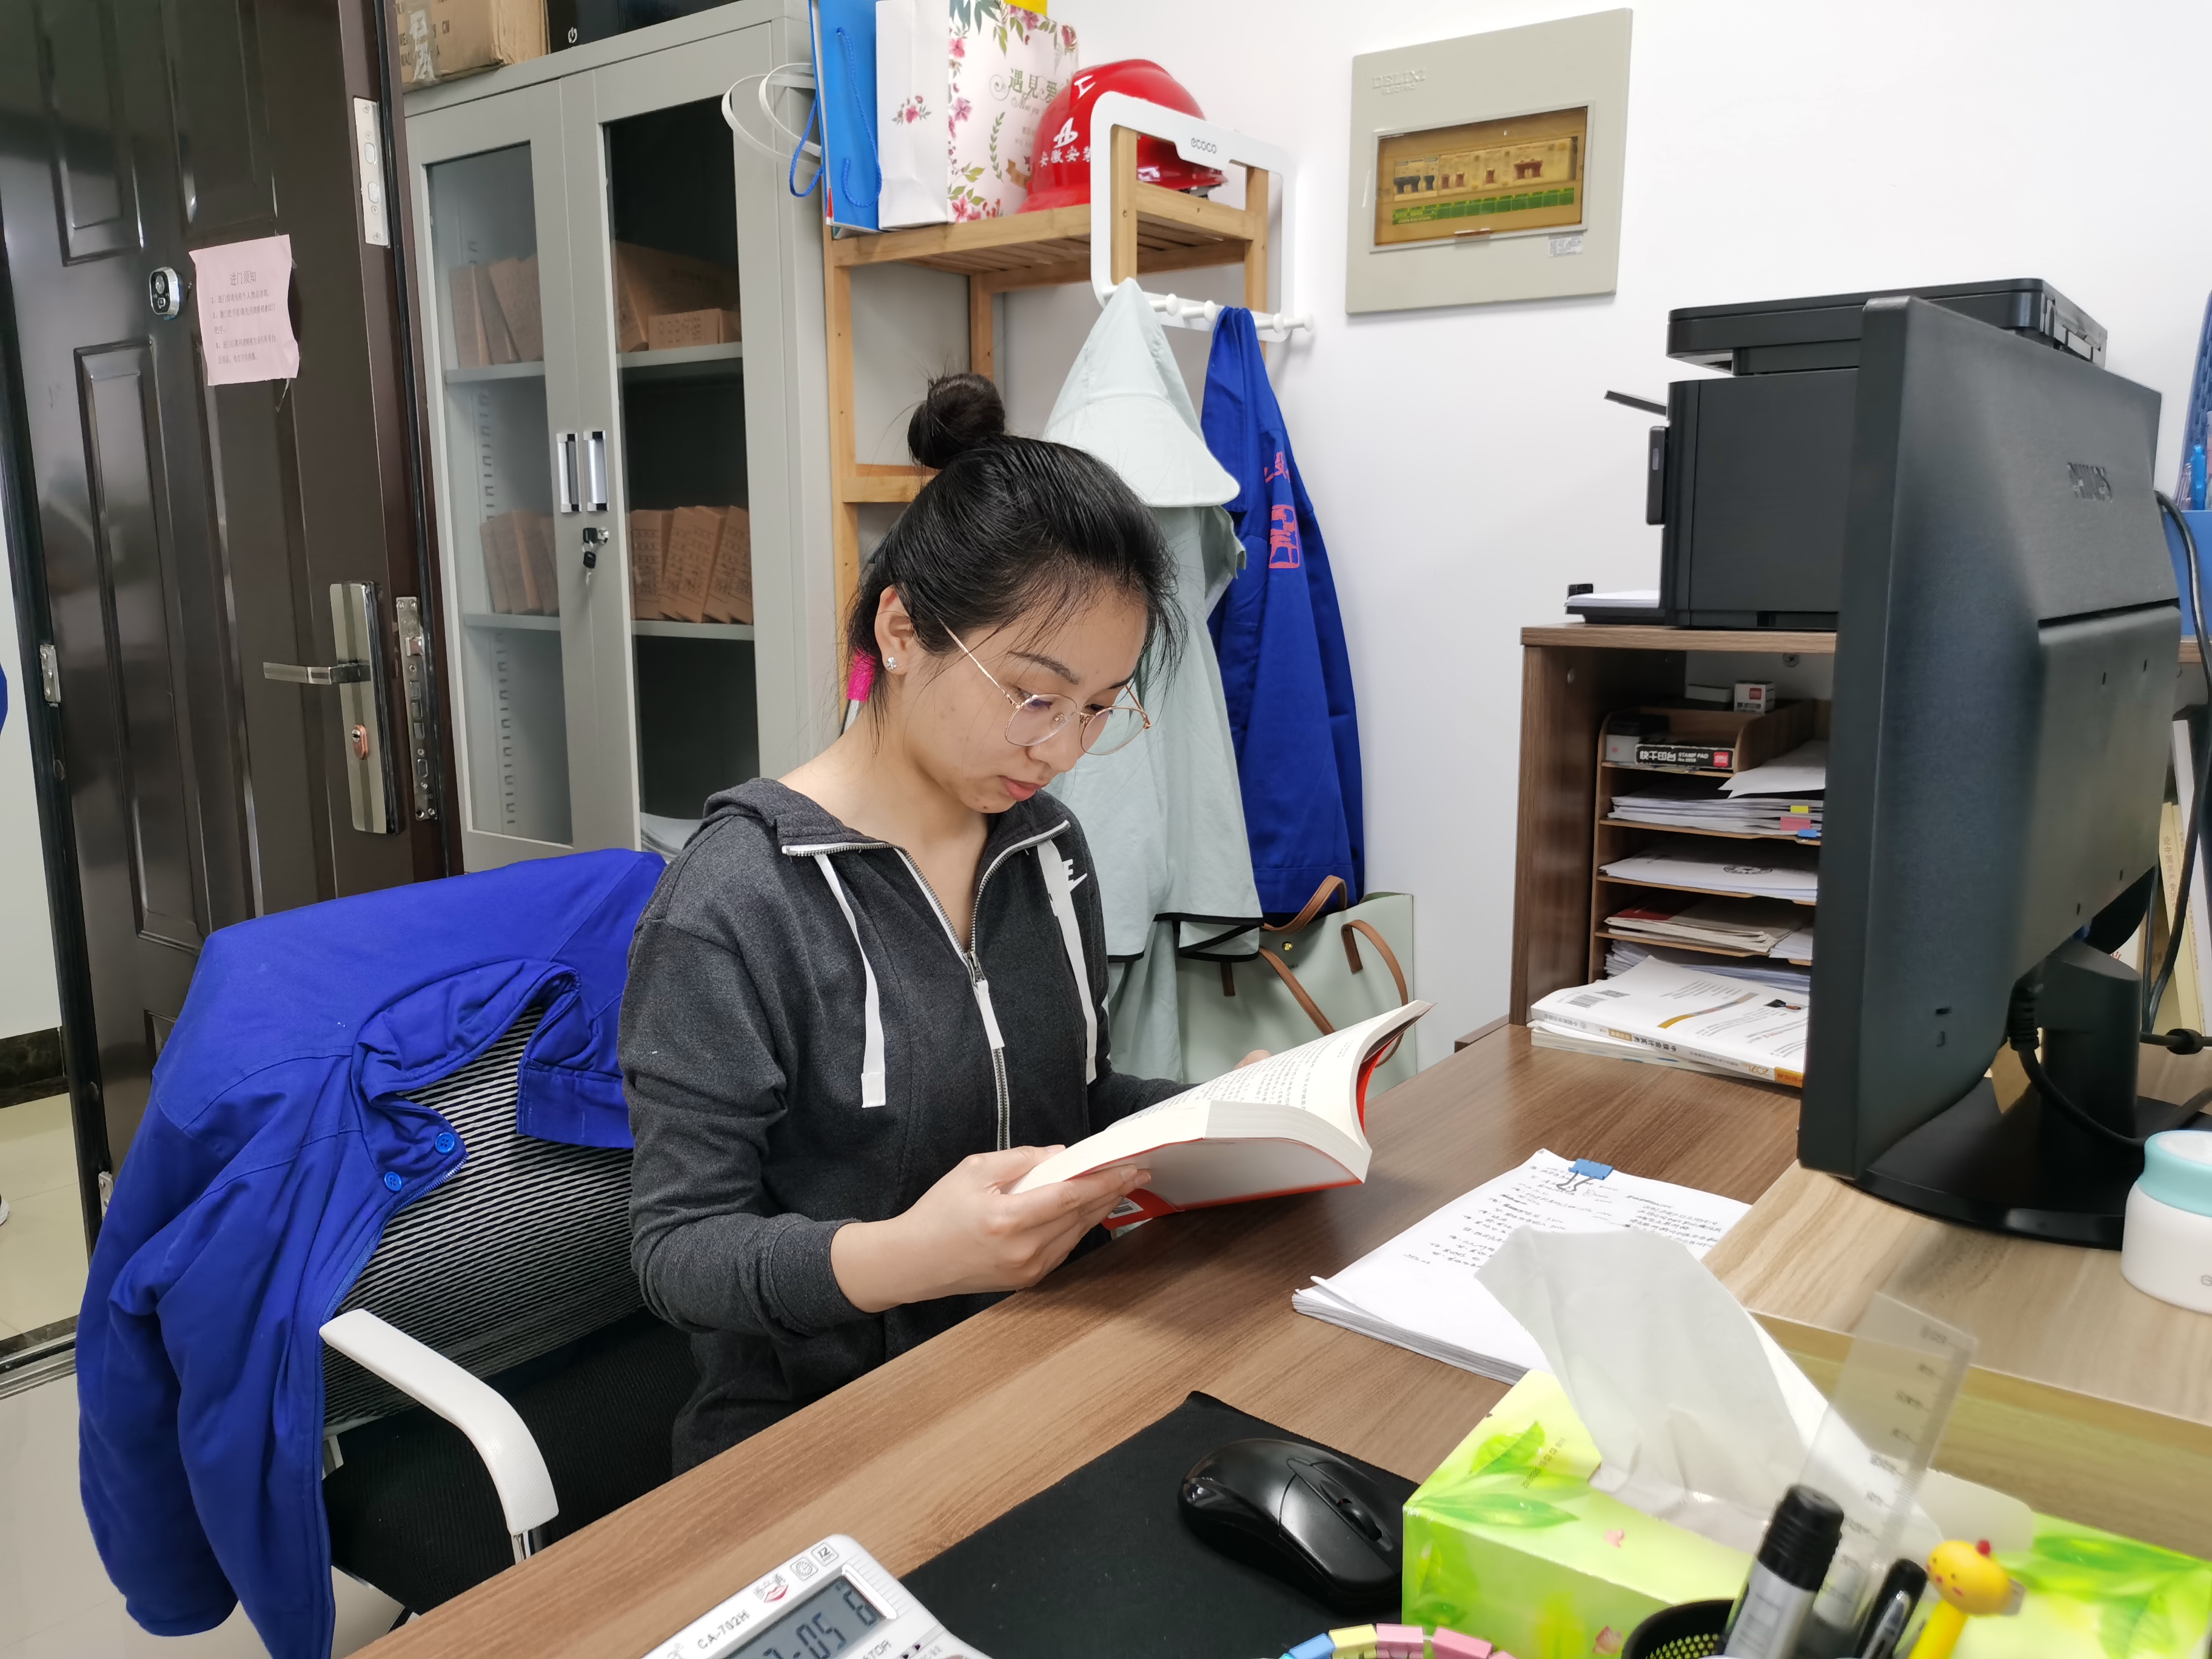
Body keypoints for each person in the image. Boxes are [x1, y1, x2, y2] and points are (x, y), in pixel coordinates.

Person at [623, 374, 1248, 1470]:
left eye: (1099, 708)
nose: (1061, 747)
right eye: (1034, 694)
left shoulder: (1046, 847)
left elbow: (1074, 1100)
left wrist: (1225, 1117)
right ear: (903, 629)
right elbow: (680, 1253)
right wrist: (912, 1257)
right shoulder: (735, 902)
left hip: (1045, 1361)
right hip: (823, 1430)